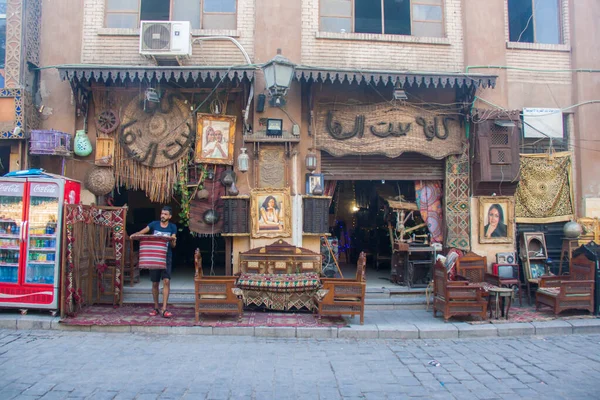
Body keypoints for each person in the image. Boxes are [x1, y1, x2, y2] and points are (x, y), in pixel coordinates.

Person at [133, 206, 177, 318]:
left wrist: (173, 241)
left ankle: (164, 308)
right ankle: (156, 307)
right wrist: (135, 235)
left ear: (170, 216)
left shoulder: (172, 227)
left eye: (165, 214)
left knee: (166, 281)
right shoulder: (154, 224)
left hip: (166, 257)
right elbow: (142, 232)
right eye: (162, 213)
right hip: (154, 257)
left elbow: (173, 245)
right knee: (155, 283)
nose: (163, 216)